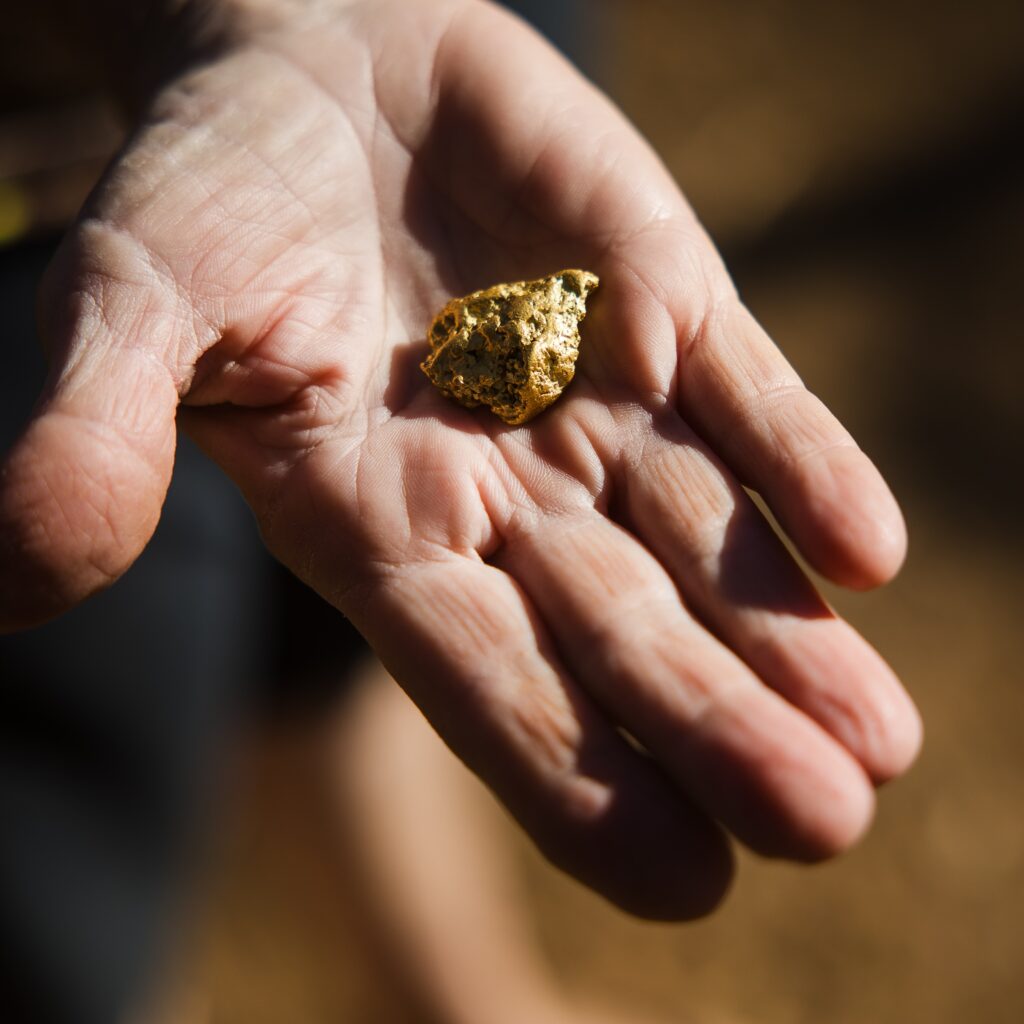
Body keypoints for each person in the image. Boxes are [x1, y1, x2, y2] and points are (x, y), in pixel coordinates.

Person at [0, 0, 922, 1019]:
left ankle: (454, 994)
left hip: (452, 61)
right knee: (84, 811)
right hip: (52, 177)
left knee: (361, 633)